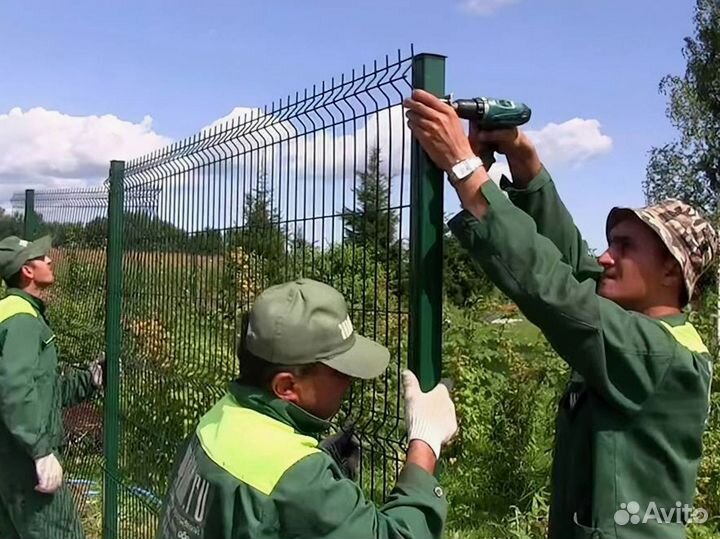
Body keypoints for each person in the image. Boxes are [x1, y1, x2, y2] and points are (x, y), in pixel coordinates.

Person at [405, 89, 717, 539]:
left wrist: (466, 169)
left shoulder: (657, 356)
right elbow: (574, 263)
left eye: (625, 247)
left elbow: (552, 289)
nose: (606, 257)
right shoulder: (648, 328)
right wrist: (522, 157)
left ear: (672, 268)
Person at [156, 278, 458, 539]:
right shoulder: (297, 477)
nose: (351, 379)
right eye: (340, 371)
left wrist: (323, 462)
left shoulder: (220, 417)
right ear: (286, 387)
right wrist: (424, 443)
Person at [0, 234, 105, 539]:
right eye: (41, 257)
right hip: (24, 464)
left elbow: (41, 390)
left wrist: (90, 380)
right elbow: (15, 389)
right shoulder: (21, 319)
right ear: (27, 271)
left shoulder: (13, 312)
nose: (49, 259)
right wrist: (41, 452)